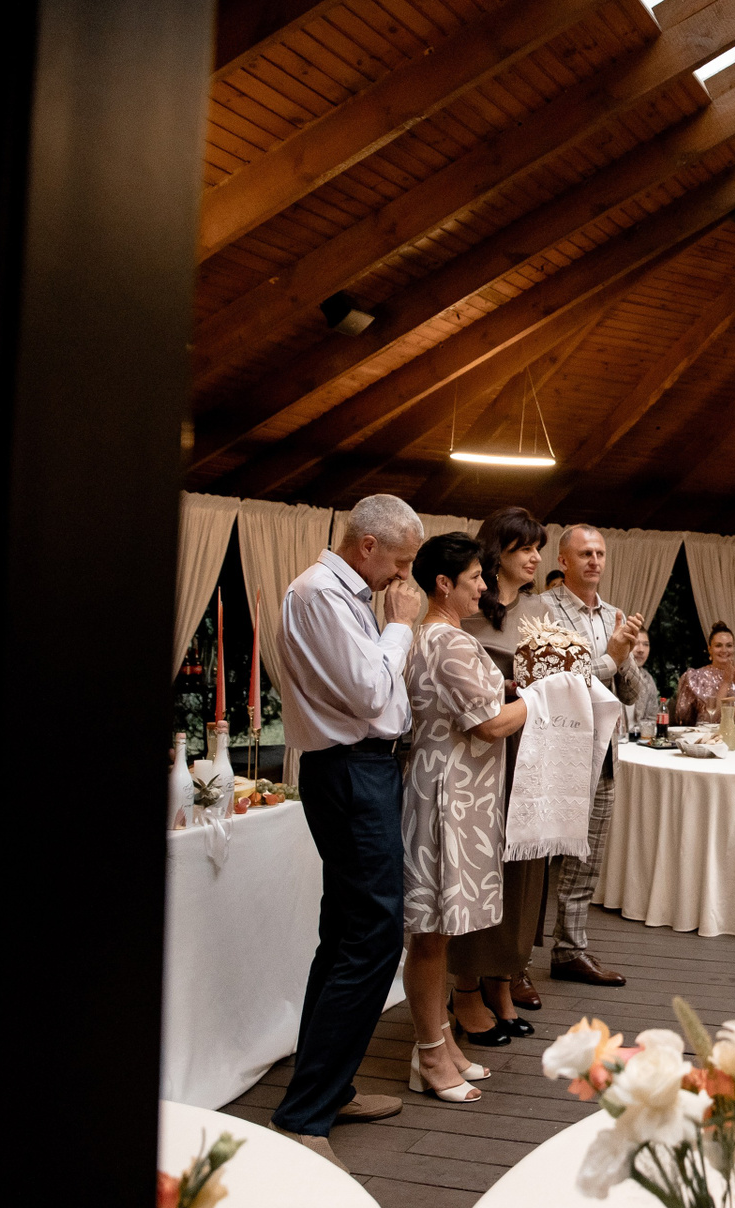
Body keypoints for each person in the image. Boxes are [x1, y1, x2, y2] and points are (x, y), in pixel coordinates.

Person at [268, 494, 423, 1165]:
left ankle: (327, 1091)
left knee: (344, 937)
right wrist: (402, 628)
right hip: (350, 771)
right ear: (367, 547)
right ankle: (303, 1116)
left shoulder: (346, 596)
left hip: (361, 770)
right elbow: (369, 693)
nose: (403, 576)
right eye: (401, 561)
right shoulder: (320, 595)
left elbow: (374, 689)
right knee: (373, 939)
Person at [399, 533, 530, 1103]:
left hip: (454, 792)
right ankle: (429, 1055)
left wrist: (512, 689)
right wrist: (544, 698)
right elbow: (490, 724)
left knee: (440, 932)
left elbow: (476, 702)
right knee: (430, 936)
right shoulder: (446, 640)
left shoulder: (437, 637)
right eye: (475, 577)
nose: (484, 586)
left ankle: (441, 1043)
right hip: (445, 797)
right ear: (443, 584)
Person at [449, 506, 553, 1035]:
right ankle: (465, 984)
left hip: (529, 750)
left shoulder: (542, 610)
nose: (535, 558)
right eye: (525, 548)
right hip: (479, 751)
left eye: (538, 548)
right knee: (479, 862)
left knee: (522, 862)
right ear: (498, 552)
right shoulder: (465, 610)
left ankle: (502, 977)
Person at [542, 525, 645, 987]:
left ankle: (570, 951)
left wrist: (623, 653)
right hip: (558, 753)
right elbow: (559, 683)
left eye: (600, 553)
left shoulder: (613, 615)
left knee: (586, 862)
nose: (594, 561)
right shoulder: (544, 610)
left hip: (604, 754)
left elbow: (631, 693)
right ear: (563, 561)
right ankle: (513, 966)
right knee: (540, 862)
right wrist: (612, 655)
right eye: (585, 553)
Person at [672, 621, 735, 725]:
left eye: (729, 645)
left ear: (734, 648)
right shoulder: (696, 678)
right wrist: (726, 682)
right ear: (710, 649)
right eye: (718, 645)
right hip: (706, 734)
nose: (724, 650)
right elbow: (709, 721)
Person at [625, 629, 660, 736]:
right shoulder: (612, 675)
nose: (641, 650)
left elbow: (652, 719)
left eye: (646, 644)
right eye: (635, 643)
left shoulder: (648, 679)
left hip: (638, 740)